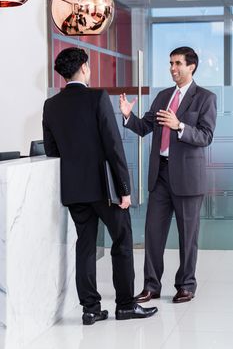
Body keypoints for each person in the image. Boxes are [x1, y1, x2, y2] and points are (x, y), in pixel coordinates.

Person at [42, 47, 157, 325]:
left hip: (74, 190)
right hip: (105, 190)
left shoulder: (51, 105)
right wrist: (125, 188)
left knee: (85, 245)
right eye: (89, 66)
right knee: (122, 241)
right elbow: (113, 144)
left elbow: (51, 149)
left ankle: (90, 309)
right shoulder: (97, 97)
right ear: (83, 67)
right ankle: (125, 305)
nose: (90, 70)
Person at [119, 46, 217, 304]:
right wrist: (129, 116)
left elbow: (206, 136)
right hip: (160, 174)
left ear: (191, 66)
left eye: (178, 64)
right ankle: (151, 286)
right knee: (153, 234)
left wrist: (180, 126)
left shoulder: (205, 98)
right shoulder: (163, 96)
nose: (173, 68)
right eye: (170, 63)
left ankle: (186, 285)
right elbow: (145, 128)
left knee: (188, 236)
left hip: (187, 177)